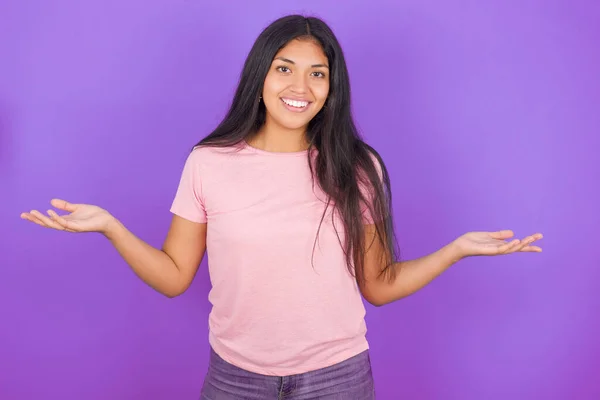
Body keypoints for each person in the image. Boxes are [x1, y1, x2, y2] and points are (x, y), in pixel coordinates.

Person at [20, 14, 543, 400]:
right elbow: (176, 274)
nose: (300, 87)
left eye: (317, 73)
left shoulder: (359, 167)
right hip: (234, 378)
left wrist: (456, 250)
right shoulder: (209, 163)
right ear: (260, 77)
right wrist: (111, 227)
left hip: (338, 377)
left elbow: (379, 285)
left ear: (331, 86)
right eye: (284, 68)